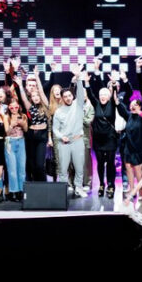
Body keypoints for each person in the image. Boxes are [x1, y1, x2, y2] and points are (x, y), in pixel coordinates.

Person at [53, 65, 89, 198]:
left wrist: (78, 77)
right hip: (64, 143)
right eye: (65, 96)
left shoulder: (78, 105)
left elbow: (81, 92)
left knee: (79, 168)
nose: (68, 98)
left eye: (69, 95)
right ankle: (62, 190)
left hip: (78, 141)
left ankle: (78, 188)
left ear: (72, 96)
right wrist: (61, 137)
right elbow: (55, 129)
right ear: (62, 98)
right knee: (63, 169)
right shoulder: (58, 111)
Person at [3, 97, 28, 202]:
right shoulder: (6, 117)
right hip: (10, 142)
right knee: (12, 169)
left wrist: (22, 123)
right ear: (9, 107)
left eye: (16, 107)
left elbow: (26, 129)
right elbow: (7, 132)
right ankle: (14, 191)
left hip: (21, 142)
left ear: (19, 107)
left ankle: (21, 191)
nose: (14, 109)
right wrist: (11, 125)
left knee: (21, 168)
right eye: (11, 107)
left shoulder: (23, 116)